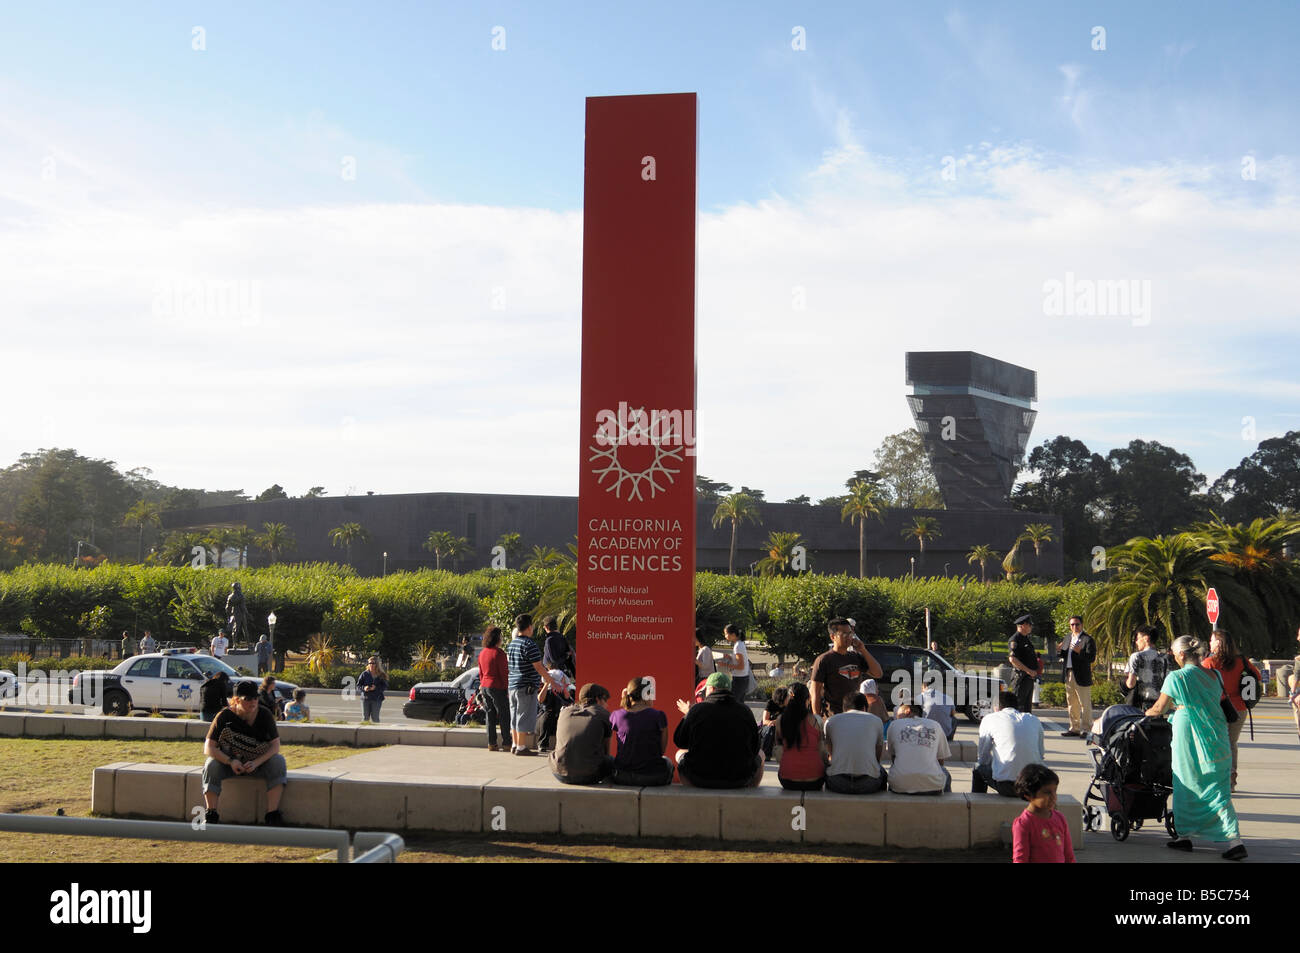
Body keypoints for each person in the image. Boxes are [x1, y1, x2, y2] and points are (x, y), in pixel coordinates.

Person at [1145, 635, 1246, 860]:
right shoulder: (1215, 674)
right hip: (1216, 735)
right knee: (1218, 788)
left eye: (1173, 652)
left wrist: (1146, 713)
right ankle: (1231, 840)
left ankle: (1190, 836)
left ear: (1181, 654)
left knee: (1186, 782)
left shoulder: (1176, 677)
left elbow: (1160, 708)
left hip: (1188, 734)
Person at [201, 681, 287, 826]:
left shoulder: (264, 714)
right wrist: (230, 761)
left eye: (255, 698)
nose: (253, 702)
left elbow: (275, 746)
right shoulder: (224, 716)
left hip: (257, 764)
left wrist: (256, 763)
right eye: (247, 699)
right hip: (230, 764)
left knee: (278, 761)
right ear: (235, 700)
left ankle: (272, 814)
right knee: (211, 764)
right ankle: (211, 813)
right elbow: (208, 748)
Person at [673, 672, 762, 788]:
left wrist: (689, 714)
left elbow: (680, 741)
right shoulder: (745, 711)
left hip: (700, 777)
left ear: (711, 688)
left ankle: (692, 793)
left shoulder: (696, 710)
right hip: (739, 779)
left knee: (679, 754)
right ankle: (750, 792)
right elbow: (755, 747)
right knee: (762, 754)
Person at [1201, 627, 1260, 792]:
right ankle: (1231, 781)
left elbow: (1201, 683)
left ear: (1219, 643)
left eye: (1212, 640)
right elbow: (1258, 677)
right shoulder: (1241, 660)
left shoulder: (1209, 662)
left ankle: (1218, 779)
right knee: (1231, 743)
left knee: (1216, 744)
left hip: (1217, 708)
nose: (1210, 643)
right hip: (1239, 707)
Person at [973, 691, 1045, 797]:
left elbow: (983, 757)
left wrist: (997, 764)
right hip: (1034, 786)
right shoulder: (1033, 719)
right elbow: (1040, 754)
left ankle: (977, 803)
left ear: (996, 707)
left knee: (978, 768)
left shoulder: (990, 719)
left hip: (1008, 786)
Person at [505, 614, 557, 756]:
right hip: (526, 686)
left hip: (513, 685)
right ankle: (521, 747)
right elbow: (539, 667)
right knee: (523, 715)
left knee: (514, 716)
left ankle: (515, 745)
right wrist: (550, 681)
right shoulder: (529, 644)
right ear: (529, 627)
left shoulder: (512, 644)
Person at [811, 618, 883, 720]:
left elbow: (878, 673)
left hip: (855, 715)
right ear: (833, 637)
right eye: (844, 634)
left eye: (850, 634)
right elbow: (815, 693)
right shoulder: (824, 660)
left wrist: (863, 650)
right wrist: (817, 720)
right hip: (833, 717)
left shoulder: (856, 657)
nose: (849, 637)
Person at [610, 676, 674, 786]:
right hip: (652, 777)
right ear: (647, 695)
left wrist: (624, 700)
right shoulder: (658, 716)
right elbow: (661, 751)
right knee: (667, 762)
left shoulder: (616, 715)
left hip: (622, 776)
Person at [550, 683, 614, 785]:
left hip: (559, 773)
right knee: (611, 760)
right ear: (598, 699)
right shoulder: (603, 713)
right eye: (605, 701)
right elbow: (606, 750)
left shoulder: (565, 711)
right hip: (590, 776)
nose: (607, 705)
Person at [825, 692, 887, 794]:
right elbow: (877, 756)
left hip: (838, 783)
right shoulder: (876, 721)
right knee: (882, 771)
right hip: (868, 784)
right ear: (864, 707)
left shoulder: (831, 721)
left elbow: (831, 754)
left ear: (844, 708)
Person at [1012, 764, 1075, 863]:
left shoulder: (1060, 818)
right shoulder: (1024, 824)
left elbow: (1069, 855)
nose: (1054, 796)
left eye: (1055, 791)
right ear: (1028, 795)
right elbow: (1020, 859)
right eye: (1047, 792)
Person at [885, 702, 951, 795]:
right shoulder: (935, 724)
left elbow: (893, 757)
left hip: (899, 785)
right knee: (945, 772)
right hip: (932, 785)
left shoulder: (894, 725)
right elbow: (941, 760)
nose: (896, 716)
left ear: (907, 710)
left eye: (898, 713)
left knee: (894, 771)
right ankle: (946, 806)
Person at [776, 683, 826, 791]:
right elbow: (822, 751)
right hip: (815, 779)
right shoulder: (816, 720)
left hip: (788, 779)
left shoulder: (781, 720)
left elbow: (778, 751)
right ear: (807, 699)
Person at [1057, 615, 1096, 737]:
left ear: (1082, 625)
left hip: (1081, 675)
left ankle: (1086, 729)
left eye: (1077, 624)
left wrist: (1080, 652)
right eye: (1072, 625)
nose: (1074, 627)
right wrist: (1059, 651)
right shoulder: (1068, 637)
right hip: (1068, 673)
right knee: (1071, 702)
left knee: (1084, 703)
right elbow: (1065, 654)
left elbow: (1091, 657)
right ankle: (1074, 728)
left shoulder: (1087, 639)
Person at [478, 626, 511, 751]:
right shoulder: (499, 653)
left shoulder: (482, 653)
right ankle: (507, 742)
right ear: (497, 638)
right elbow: (504, 673)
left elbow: (481, 672)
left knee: (489, 715)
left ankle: (492, 743)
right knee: (504, 715)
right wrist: (506, 688)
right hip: (497, 686)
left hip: (485, 686)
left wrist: (482, 684)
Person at [1125, 624, 1169, 707]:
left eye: (1138, 639)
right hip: (1159, 704)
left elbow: (1131, 684)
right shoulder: (1164, 658)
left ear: (1146, 638)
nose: (1136, 642)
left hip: (1140, 704)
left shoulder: (1136, 656)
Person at [1007, 615, 1040, 713]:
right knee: (1018, 705)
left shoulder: (1026, 638)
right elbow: (1012, 659)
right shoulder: (1015, 639)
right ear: (1022, 626)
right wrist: (1028, 671)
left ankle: (1025, 726)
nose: (1031, 627)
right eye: (1029, 625)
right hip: (1021, 677)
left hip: (1028, 678)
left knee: (1027, 707)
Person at [536, 667, 574, 753]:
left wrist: (564, 687)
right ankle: (542, 744)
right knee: (548, 714)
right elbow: (540, 699)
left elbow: (569, 700)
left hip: (556, 723)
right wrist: (547, 683)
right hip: (542, 723)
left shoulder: (563, 691)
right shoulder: (547, 691)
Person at [716, 623, 753, 699]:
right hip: (742, 678)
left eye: (726, 634)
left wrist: (724, 665)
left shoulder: (738, 646)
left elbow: (740, 666)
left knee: (734, 703)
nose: (725, 636)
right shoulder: (740, 644)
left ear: (732, 634)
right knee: (739, 703)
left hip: (739, 679)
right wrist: (731, 657)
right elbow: (739, 661)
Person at [758, 686, 789, 761]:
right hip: (768, 727)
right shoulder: (770, 703)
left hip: (781, 727)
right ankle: (766, 754)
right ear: (782, 697)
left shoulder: (789, 706)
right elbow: (765, 721)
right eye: (787, 696)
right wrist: (773, 722)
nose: (789, 698)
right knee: (771, 729)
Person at [357, 656, 387, 723]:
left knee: (375, 718)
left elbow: (384, 686)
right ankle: (364, 732)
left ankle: (376, 733)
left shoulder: (381, 675)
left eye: (373, 663)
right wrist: (364, 688)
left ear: (377, 664)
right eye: (370, 663)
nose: (371, 665)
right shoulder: (364, 674)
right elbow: (358, 686)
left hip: (376, 699)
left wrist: (376, 688)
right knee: (365, 718)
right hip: (365, 698)